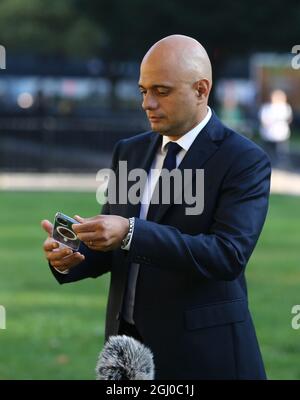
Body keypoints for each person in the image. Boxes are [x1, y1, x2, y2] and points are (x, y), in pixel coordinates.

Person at [42, 35, 271, 379]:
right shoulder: (129, 152)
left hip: (205, 356)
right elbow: (115, 248)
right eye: (142, 90)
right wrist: (71, 256)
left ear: (201, 89)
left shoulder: (244, 160)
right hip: (128, 356)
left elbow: (228, 255)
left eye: (161, 91)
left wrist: (130, 231)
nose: (147, 103)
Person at [259, 89, 293, 166]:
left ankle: (281, 165)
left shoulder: (286, 107)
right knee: (268, 152)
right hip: (268, 134)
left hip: (282, 134)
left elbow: (289, 119)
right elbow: (264, 121)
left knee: (281, 152)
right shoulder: (266, 108)